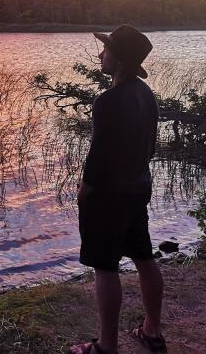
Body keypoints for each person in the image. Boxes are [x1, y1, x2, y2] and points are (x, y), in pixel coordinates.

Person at [69, 24, 166, 354]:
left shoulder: (107, 101)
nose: (101, 54)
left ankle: (106, 347)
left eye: (107, 49)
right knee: (144, 257)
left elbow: (98, 154)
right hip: (138, 189)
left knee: (106, 266)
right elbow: (150, 148)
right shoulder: (147, 96)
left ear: (120, 60)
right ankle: (152, 331)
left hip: (109, 195)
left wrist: (86, 189)